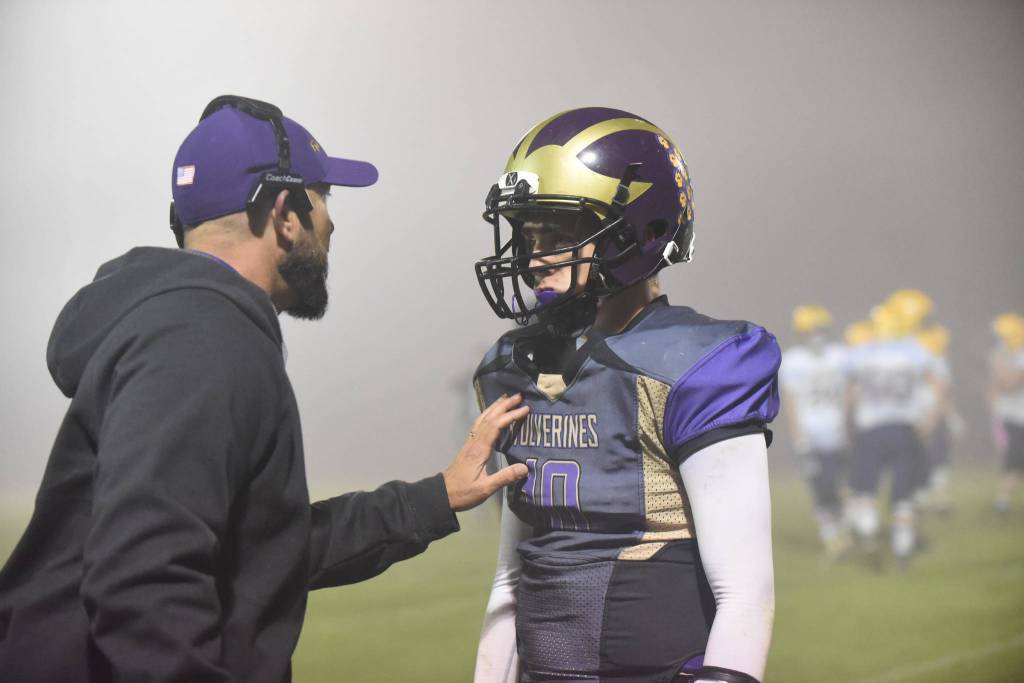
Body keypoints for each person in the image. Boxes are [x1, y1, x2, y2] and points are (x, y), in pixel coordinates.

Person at [0, 95, 528, 682]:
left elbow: (262, 547)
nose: (331, 222)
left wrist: (436, 497)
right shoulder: (201, 339)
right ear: (285, 214)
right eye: (323, 198)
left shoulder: (186, 327)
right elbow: (144, 581)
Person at [471, 108, 779, 683]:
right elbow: (510, 582)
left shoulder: (695, 364)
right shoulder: (515, 367)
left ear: (636, 234)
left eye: (559, 237)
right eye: (530, 236)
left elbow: (744, 591)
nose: (533, 259)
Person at [845, 299, 941, 569]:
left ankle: (869, 536)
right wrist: (930, 419)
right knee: (903, 493)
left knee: (866, 488)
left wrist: (847, 424)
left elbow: (850, 394)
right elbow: (938, 385)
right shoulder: (914, 351)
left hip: (871, 429)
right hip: (903, 428)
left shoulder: (861, 353)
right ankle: (902, 549)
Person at [779, 305, 852, 560]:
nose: (816, 336)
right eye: (810, 331)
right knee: (820, 487)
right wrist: (799, 439)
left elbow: (849, 393)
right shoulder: (793, 361)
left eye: (819, 330)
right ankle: (832, 536)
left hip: (837, 432)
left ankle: (844, 531)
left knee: (841, 484)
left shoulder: (840, 356)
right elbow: (791, 403)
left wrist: (848, 427)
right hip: (811, 434)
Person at [990, 312, 1024, 516]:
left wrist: (999, 364)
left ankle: (1003, 500)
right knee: (1014, 458)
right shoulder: (1006, 353)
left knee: (1016, 459)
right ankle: (1002, 500)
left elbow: (1011, 383)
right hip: (1013, 416)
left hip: (1020, 414)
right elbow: (997, 385)